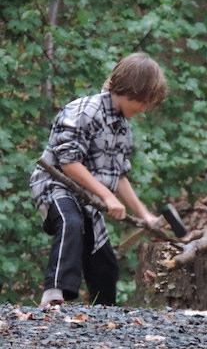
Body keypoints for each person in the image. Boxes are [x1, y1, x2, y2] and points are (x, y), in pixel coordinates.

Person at [30, 52, 168, 307]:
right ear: (132, 90)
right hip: (55, 186)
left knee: (105, 264)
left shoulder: (123, 128)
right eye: (144, 101)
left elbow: (118, 178)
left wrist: (145, 215)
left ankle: (104, 317)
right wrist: (105, 196)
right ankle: (53, 295)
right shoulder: (83, 111)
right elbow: (68, 164)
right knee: (70, 222)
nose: (144, 108)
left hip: (87, 199)